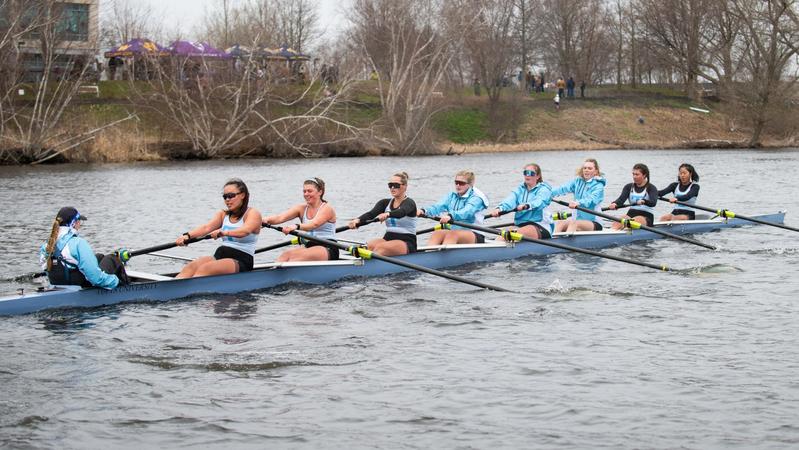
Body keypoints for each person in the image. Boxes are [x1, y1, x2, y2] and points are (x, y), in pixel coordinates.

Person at [175, 179, 262, 278]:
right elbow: (206, 228)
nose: (227, 200)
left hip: (241, 260)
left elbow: (245, 231)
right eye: (225, 197)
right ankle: (171, 289)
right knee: (191, 266)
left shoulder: (252, 213)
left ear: (243, 195)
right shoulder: (223, 214)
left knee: (205, 269)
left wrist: (224, 232)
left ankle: (190, 290)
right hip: (220, 255)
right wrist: (187, 236)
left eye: (231, 196)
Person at [39, 207, 127, 289]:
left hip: (58, 285)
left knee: (99, 257)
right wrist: (115, 281)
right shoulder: (78, 243)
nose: (80, 225)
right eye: (79, 221)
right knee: (112, 259)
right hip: (80, 286)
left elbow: (47, 269)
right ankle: (126, 286)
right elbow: (95, 279)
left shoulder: (47, 244)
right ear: (74, 223)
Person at [263, 177, 338, 262]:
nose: (306, 194)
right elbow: (280, 217)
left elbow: (313, 225)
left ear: (320, 192)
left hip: (327, 247)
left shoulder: (327, 208)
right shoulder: (301, 208)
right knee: (284, 256)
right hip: (309, 245)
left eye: (309, 191)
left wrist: (296, 226)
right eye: (304, 191)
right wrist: (264, 220)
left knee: (295, 259)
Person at [348, 172, 417, 256]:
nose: (392, 188)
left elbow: (401, 212)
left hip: (406, 241)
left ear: (405, 186)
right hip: (388, 238)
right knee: (368, 246)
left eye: (396, 185)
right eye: (390, 185)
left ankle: (369, 264)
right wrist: (357, 220)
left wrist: (388, 214)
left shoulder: (410, 203)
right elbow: (370, 214)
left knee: (381, 248)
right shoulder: (384, 203)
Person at [417, 170, 490, 245]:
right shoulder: (452, 196)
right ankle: (430, 255)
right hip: (455, 231)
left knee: (452, 235)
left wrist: (451, 216)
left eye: (461, 183)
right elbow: (438, 207)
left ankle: (445, 255)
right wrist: (423, 211)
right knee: (437, 234)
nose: (458, 185)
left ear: (470, 184)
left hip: (474, 232)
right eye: (456, 182)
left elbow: (467, 211)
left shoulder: (476, 198)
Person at [490, 163, 553, 240]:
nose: (528, 175)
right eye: (526, 173)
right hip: (521, 225)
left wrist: (527, 205)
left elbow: (539, 202)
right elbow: (510, 200)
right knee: (502, 234)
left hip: (540, 225)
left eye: (531, 173)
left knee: (508, 235)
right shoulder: (520, 190)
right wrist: (499, 208)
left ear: (538, 176)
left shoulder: (544, 189)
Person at [551, 158, 607, 235]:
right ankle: (553, 242)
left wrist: (578, 202)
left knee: (574, 223)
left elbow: (591, 200)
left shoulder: (598, 186)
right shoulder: (577, 182)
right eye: (585, 168)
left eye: (590, 168)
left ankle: (565, 244)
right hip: (576, 220)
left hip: (594, 222)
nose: (586, 170)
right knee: (561, 222)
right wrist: (547, 193)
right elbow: (562, 188)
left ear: (596, 172)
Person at [608, 163, 658, 229]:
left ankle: (627, 233)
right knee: (617, 222)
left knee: (629, 224)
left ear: (644, 175)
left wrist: (644, 201)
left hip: (646, 216)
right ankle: (612, 233)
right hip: (631, 214)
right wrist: (615, 203)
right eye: (633, 174)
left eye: (637, 174)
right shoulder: (628, 187)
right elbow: (621, 200)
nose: (634, 176)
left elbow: (653, 203)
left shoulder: (651, 188)